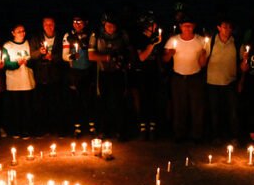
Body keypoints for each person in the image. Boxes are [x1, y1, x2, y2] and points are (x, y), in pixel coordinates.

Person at [163, 15, 208, 143]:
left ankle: (197, 135)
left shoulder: (200, 41)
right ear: (180, 27)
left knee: (197, 108)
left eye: (190, 25)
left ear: (194, 26)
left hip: (195, 78)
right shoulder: (173, 40)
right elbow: (165, 59)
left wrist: (204, 55)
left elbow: (203, 64)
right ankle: (179, 134)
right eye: (185, 25)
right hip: (178, 78)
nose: (187, 28)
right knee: (179, 107)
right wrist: (169, 54)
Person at [88, 13, 133, 141]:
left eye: (113, 26)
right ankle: (103, 130)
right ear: (104, 24)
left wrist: (125, 60)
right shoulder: (96, 35)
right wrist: (108, 58)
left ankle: (119, 130)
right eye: (108, 26)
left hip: (118, 72)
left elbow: (129, 51)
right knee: (103, 101)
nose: (111, 28)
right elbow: (91, 56)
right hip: (103, 73)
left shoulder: (122, 35)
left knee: (119, 101)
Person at [205, 18, 239, 145]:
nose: (228, 29)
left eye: (229, 27)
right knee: (214, 111)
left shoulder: (236, 42)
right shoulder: (211, 41)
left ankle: (234, 136)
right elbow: (203, 62)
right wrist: (203, 55)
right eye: (225, 27)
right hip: (213, 82)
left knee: (232, 111)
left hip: (230, 81)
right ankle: (215, 136)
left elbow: (242, 63)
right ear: (219, 28)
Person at [29, 16, 65, 137]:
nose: (49, 27)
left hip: (56, 76)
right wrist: (40, 52)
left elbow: (65, 55)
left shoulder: (61, 37)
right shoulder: (36, 38)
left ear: (54, 25)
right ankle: (43, 129)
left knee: (56, 103)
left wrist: (52, 57)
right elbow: (31, 55)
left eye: (51, 24)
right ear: (42, 26)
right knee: (41, 105)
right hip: (41, 76)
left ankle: (57, 128)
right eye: (46, 25)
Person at [130, 12, 164, 140]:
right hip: (143, 74)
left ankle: (153, 128)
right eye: (153, 24)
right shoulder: (140, 39)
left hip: (154, 74)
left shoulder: (156, 38)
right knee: (144, 101)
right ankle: (143, 129)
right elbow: (142, 57)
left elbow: (158, 57)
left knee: (154, 101)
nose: (155, 26)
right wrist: (152, 44)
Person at [62, 14, 94, 138]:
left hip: (88, 71)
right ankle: (77, 128)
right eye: (74, 22)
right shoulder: (68, 36)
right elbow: (64, 55)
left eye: (80, 22)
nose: (77, 24)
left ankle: (92, 127)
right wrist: (71, 57)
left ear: (85, 22)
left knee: (90, 100)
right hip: (75, 72)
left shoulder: (91, 34)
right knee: (76, 100)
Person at [3, 24, 35, 139]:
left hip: (27, 81)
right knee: (16, 108)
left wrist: (28, 63)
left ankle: (26, 130)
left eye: (23, 31)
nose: (22, 33)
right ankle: (15, 130)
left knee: (27, 107)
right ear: (13, 33)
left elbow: (33, 60)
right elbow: (5, 63)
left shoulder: (28, 43)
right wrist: (16, 64)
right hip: (14, 83)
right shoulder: (7, 46)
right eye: (19, 31)